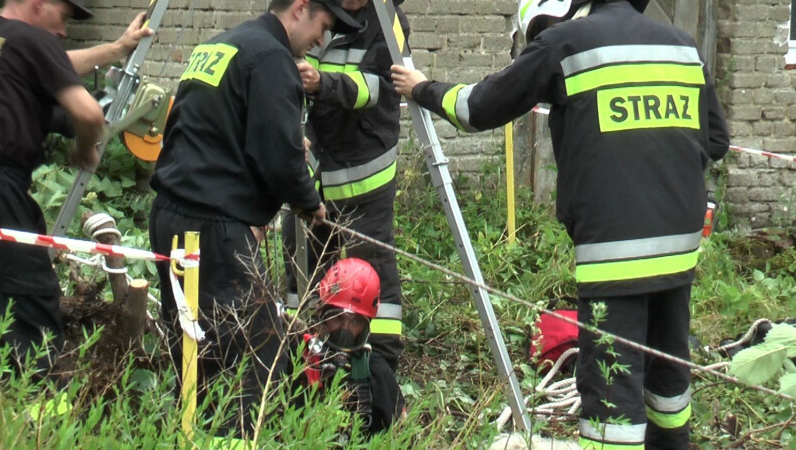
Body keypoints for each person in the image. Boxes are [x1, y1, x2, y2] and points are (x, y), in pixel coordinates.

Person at [391, 0, 730, 447]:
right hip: (679, 249)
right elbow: (718, 140)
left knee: (612, 394)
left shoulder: (566, 43)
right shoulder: (683, 47)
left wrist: (423, 88)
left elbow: (478, 107)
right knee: (668, 377)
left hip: (615, 254)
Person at [0, 0, 152, 382]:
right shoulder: (33, 40)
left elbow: (54, 67)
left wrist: (117, 49)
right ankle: (39, 423)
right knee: (29, 315)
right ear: (38, 4)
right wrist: (85, 148)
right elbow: (88, 113)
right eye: (63, 16)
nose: (64, 30)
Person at [147, 0, 361, 440]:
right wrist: (311, 205)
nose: (322, 40)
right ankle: (230, 439)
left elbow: (213, 132)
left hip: (171, 216)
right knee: (251, 355)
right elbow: (279, 160)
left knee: (193, 346)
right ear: (301, 7)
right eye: (324, 25)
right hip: (213, 230)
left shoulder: (221, 46)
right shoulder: (272, 59)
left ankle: (191, 435)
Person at [283, 0, 409, 373]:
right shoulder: (314, 10)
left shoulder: (389, 21)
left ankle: (380, 366)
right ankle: (301, 356)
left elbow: (377, 87)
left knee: (369, 265)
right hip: (317, 166)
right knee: (300, 256)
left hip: (364, 171)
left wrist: (322, 83)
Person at [291, 258, 405, 436]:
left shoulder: (376, 374)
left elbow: (400, 437)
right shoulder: (294, 360)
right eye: (337, 318)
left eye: (356, 322)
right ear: (321, 312)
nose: (346, 331)